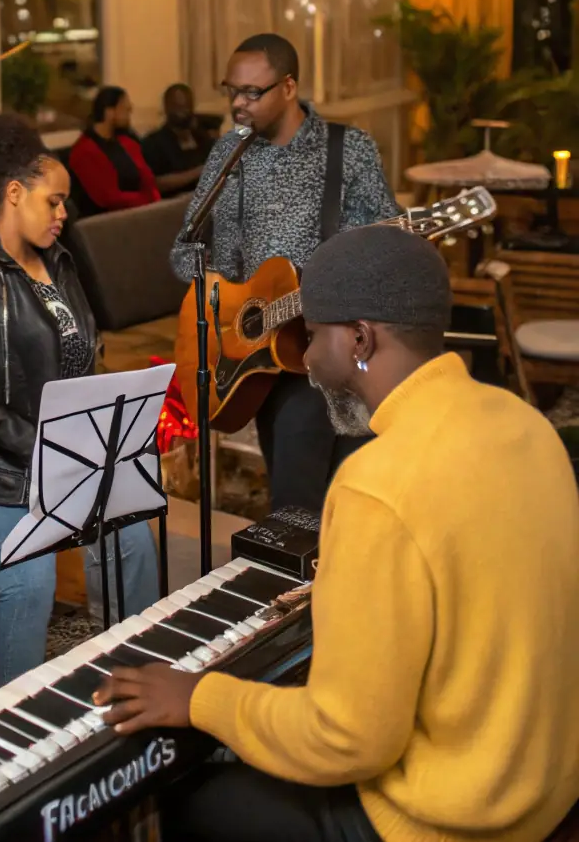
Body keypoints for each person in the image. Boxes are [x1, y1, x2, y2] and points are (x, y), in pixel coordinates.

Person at [96, 224, 579, 842]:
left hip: (456, 821)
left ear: (358, 338)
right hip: (545, 785)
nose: (305, 359)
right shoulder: (527, 424)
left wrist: (199, 698)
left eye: (310, 335)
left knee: (196, 794)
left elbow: (348, 740)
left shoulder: (375, 484)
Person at [0, 111, 160, 688]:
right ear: (13, 193)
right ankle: (13, 717)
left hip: (71, 456)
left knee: (133, 545)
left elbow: (85, 355)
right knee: (30, 583)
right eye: (54, 201)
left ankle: (132, 680)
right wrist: (50, 446)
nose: (64, 214)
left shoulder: (60, 262)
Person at [171, 33, 398, 512]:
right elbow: (184, 251)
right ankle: (297, 586)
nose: (237, 103)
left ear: (289, 86)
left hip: (347, 351)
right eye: (230, 90)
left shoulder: (347, 150)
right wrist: (226, 307)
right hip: (266, 358)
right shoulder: (227, 155)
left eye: (252, 93)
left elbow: (390, 250)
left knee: (357, 504)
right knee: (294, 508)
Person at [69, 86, 160, 217]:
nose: (130, 111)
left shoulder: (127, 143)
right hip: (105, 222)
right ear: (109, 112)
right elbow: (108, 198)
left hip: (139, 213)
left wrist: (154, 201)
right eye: (125, 108)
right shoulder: (83, 151)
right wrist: (147, 201)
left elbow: (148, 180)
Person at [141, 83, 213, 196]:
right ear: (166, 107)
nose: (183, 112)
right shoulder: (153, 143)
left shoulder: (203, 138)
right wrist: (197, 172)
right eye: (178, 107)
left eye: (187, 106)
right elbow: (155, 183)